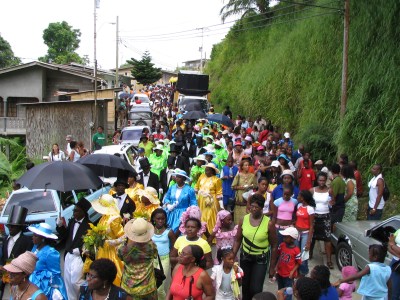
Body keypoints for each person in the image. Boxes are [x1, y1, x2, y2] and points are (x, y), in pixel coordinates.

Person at [233, 193, 278, 300]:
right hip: (245, 257)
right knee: (245, 287)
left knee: (256, 289)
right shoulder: (243, 219)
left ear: (262, 208)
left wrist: (272, 268)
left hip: (260, 259)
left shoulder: (269, 224)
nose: (253, 209)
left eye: (256, 207)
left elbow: (274, 245)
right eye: (251, 206)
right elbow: (238, 240)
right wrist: (232, 256)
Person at [56, 198, 92, 300]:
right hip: (69, 255)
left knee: (75, 282)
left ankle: (84, 296)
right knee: (68, 281)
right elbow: (64, 236)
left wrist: (80, 250)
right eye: (73, 210)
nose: (74, 213)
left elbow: (91, 244)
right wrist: (60, 226)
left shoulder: (89, 225)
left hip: (79, 257)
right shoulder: (72, 222)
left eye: (76, 210)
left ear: (83, 212)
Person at [118, 218, 158, 299]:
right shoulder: (150, 246)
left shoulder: (123, 248)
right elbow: (155, 255)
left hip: (128, 287)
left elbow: (120, 257)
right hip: (148, 287)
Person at [89, 194, 124, 286]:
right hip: (102, 250)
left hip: (111, 252)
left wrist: (111, 242)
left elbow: (123, 237)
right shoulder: (104, 217)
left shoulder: (114, 219)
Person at [0, 206, 33, 299]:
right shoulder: (6, 239)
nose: (10, 228)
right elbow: (4, 258)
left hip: (19, 280)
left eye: (13, 226)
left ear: (19, 227)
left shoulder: (26, 241)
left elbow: (27, 263)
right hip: (6, 279)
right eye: (9, 226)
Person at [28, 223, 68, 299]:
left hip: (46, 287)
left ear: (43, 238)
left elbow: (55, 274)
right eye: (33, 235)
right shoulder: (35, 248)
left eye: (35, 236)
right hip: (33, 283)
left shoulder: (51, 252)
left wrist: (42, 278)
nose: (32, 237)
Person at [151, 209, 177, 299]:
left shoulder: (169, 232)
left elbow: (175, 246)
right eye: (158, 219)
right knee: (152, 286)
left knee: (160, 287)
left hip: (164, 259)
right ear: (154, 219)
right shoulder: (150, 230)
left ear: (165, 219)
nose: (160, 221)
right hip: (152, 259)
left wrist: (171, 256)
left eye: (163, 219)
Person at [310, 173, 334, 269]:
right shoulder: (312, 190)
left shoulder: (329, 191)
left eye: (323, 180)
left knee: (327, 239)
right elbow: (308, 202)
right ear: (317, 180)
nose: (321, 182)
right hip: (314, 216)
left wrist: (331, 203)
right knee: (312, 237)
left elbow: (333, 202)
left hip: (326, 216)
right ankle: (310, 253)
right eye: (320, 180)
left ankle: (329, 260)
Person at [163, 169, 197, 234]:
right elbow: (166, 198)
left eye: (179, 177)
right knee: (168, 230)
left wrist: (190, 212)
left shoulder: (189, 189)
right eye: (177, 176)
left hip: (183, 214)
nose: (177, 178)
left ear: (184, 179)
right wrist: (168, 205)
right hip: (171, 212)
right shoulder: (172, 187)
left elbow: (193, 203)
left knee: (179, 231)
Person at [195, 163, 223, 235]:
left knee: (210, 216)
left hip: (211, 200)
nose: (206, 172)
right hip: (201, 200)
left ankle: (211, 235)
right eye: (205, 170)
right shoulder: (202, 176)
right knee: (201, 216)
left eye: (208, 170)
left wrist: (221, 205)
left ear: (212, 171)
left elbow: (219, 192)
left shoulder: (217, 180)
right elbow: (197, 187)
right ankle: (201, 234)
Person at [276, 227, 301, 300]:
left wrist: (292, 272)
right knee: (280, 290)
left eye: (286, 236)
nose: (284, 238)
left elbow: (298, 263)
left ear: (292, 238)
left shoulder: (296, 250)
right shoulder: (282, 245)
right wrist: (276, 267)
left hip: (288, 275)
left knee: (288, 291)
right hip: (280, 273)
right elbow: (279, 256)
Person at [295, 190, 315, 276]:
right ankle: (297, 272)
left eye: (299, 196)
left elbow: (311, 226)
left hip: (305, 233)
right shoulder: (299, 206)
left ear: (303, 198)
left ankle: (303, 273)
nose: (297, 197)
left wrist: (308, 242)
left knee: (304, 256)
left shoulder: (310, 209)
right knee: (296, 253)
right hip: (297, 233)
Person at [231, 159, 257, 224]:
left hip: (248, 199)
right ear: (242, 167)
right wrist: (241, 187)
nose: (247, 166)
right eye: (245, 165)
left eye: (248, 165)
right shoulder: (238, 175)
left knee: (247, 219)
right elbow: (233, 186)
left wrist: (250, 186)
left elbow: (256, 186)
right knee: (238, 221)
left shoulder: (252, 175)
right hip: (239, 200)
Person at [388, 230, 400, 300]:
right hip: (395, 262)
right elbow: (389, 246)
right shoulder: (399, 230)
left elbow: (391, 243)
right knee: (391, 290)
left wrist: (393, 245)